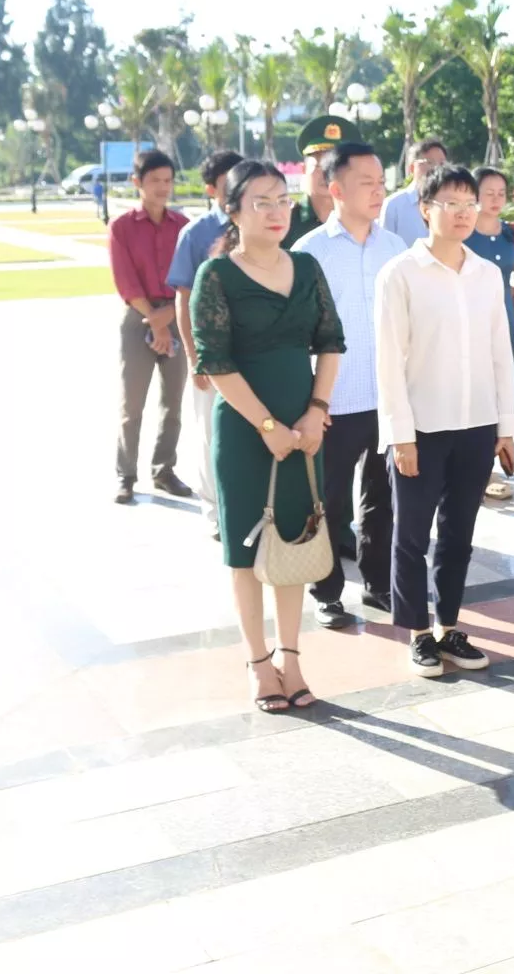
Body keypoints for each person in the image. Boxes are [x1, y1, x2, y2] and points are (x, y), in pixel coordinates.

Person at [191, 160, 344, 713]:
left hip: (304, 428)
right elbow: (215, 362)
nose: (277, 210)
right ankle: (258, 663)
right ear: (232, 210)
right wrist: (268, 427)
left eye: (283, 199)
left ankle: (293, 657)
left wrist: (315, 413)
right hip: (244, 431)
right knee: (246, 550)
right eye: (261, 201)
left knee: (295, 539)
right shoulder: (217, 276)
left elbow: (331, 342)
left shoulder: (305, 267)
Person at [376, 164, 514, 678]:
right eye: (450, 203)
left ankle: (449, 626)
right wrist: (400, 435)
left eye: (469, 203)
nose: (462, 213)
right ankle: (417, 634)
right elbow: (389, 361)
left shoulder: (486, 273)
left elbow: (501, 352)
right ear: (424, 209)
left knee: (460, 532)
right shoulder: (400, 274)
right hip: (422, 428)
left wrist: (506, 426)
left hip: (476, 425)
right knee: (411, 535)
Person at [291, 141, 406, 628]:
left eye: (382, 183)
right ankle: (327, 589)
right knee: (328, 502)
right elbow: (297, 335)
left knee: (383, 502)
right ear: (335, 189)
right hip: (334, 402)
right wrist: (312, 402)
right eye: (367, 184)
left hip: (387, 400)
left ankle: (379, 584)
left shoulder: (396, 249)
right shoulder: (308, 252)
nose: (378, 192)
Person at [168, 149, 244, 534]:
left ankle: (247, 504)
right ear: (212, 188)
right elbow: (182, 298)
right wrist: (195, 356)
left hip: (251, 350)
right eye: (229, 182)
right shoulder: (195, 234)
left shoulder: (258, 224)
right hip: (212, 352)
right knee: (210, 430)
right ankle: (215, 510)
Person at [109, 148, 191, 504]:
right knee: (133, 404)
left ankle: (164, 470)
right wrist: (155, 322)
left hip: (176, 315)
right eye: (155, 180)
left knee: (173, 402)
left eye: (168, 180)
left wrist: (168, 318)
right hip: (138, 317)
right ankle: (126, 475)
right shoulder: (122, 227)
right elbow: (125, 281)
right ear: (137, 182)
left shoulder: (183, 226)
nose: (163, 187)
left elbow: (191, 277)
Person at [465, 166, 514, 500]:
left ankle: (503, 448)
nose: (495, 200)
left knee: (504, 386)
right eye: (488, 193)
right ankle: (481, 468)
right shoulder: (462, 234)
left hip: (502, 320)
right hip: (467, 322)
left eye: (501, 194)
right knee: (476, 386)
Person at [282, 115, 361, 249]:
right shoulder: (285, 221)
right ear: (304, 169)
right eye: (320, 165)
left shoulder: (362, 222)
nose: (327, 174)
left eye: (336, 166)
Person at [380, 138, 447, 244]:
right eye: (429, 162)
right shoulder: (394, 205)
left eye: (442, 164)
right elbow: (383, 246)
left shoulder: (449, 203)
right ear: (412, 168)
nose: (437, 169)